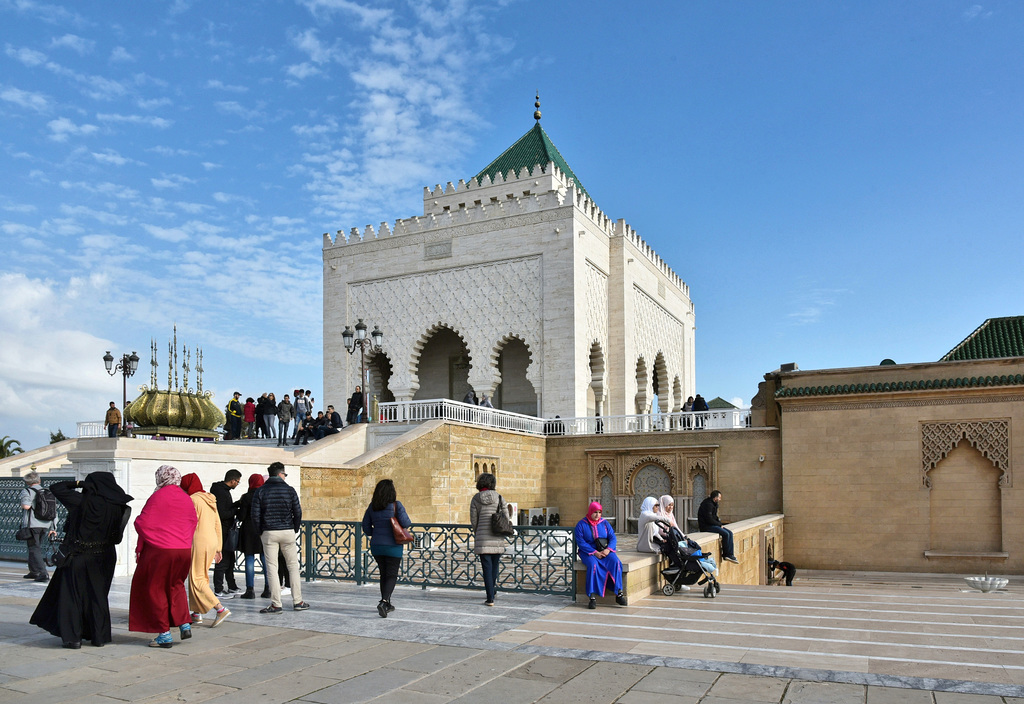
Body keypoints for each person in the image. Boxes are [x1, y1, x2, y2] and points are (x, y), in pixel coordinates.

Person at [29, 473, 132, 648]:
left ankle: (73, 638)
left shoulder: (81, 501)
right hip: (105, 556)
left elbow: (57, 488)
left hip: (79, 554)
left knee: (72, 596)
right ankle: (99, 637)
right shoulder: (118, 506)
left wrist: (79, 483)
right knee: (98, 596)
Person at [129, 465, 199, 648]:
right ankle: (184, 622)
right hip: (183, 551)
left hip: (161, 551)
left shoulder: (157, 496)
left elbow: (142, 523)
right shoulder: (185, 497)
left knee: (156, 588)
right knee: (176, 585)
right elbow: (193, 522)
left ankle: (164, 634)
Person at [251, 462, 309, 613]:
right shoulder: (289, 490)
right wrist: (294, 528)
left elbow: (255, 515)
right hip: (287, 531)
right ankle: (298, 601)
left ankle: (276, 604)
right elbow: (297, 512)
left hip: (269, 532)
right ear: (280, 474)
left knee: (272, 568)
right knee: (293, 567)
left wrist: (260, 531)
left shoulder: (261, 491)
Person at [180, 474, 231, 628]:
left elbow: (189, 523)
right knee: (201, 576)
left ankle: (220, 608)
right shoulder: (209, 498)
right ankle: (197, 613)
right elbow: (217, 523)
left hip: (199, 541)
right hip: (211, 541)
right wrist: (218, 547)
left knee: (197, 578)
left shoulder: (193, 500)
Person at [361, 478, 411, 618]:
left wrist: (375, 533)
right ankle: (383, 602)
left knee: (384, 574)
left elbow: (366, 526)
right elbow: (407, 522)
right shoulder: (397, 505)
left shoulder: (372, 506)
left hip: (377, 546)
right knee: (392, 574)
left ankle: (387, 603)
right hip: (393, 546)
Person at [574, 502, 626, 609]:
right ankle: (592, 597)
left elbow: (612, 537)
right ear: (590, 512)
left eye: (599, 512)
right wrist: (594, 552)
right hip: (588, 553)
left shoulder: (604, 523)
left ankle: (619, 592)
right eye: (595, 512)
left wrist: (608, 550)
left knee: (616, 562)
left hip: (605, 551)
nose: (597, 515)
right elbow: (581, 542)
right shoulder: (581, 524)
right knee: (593, 566)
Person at [469, 472, 505, 606]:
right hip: (497, 536)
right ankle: (493, 591)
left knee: (487, 568)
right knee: (494, 567)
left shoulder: (476, 498)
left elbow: (474, 519)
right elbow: (506, 515)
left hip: (483, 539)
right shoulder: (499, 497)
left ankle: (490, 598)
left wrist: (478, 532)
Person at [19, 471, 56, 582]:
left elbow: (26, 506)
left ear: (27, 482)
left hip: (33, 524)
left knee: (34, 548)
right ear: (39, 480)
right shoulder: (47, 492)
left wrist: (24, 503)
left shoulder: (27, 491)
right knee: (34, 547)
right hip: (45, 524)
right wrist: (53, 528)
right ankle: (34, 571)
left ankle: (43, 573)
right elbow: (54, 511)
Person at [236, 473, 269, 599]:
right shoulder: (265, 495)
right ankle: (268, 588)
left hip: (248, 530)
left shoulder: (246, 497)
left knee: (249, 559)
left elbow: (241, 516)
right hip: (262, 529)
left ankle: (250, 590)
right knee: (265, 559)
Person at [211, 469, 242, 597]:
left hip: (225, 531)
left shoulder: (220, 490)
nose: (237, 484)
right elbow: (222, 513)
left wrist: (236, 505)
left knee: (230, 560)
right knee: (223, 561)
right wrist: (236, 510)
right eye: (238, 482)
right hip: (223, 531)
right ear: (232, 480)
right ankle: (218, 589)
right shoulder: (222, 492)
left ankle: (232, 586)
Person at [697, 490, 738, 563]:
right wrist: (719, 525)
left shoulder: (714, 504)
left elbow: (714, 517)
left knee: (730, 533)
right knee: (726, 534)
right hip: (706, 526)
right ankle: (726, 554)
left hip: (712, 524)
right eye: (719, 498)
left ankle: (730, 554)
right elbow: (708, 519)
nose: (720, 499)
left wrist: (720, 524)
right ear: (715, 498)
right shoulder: (708, 504)